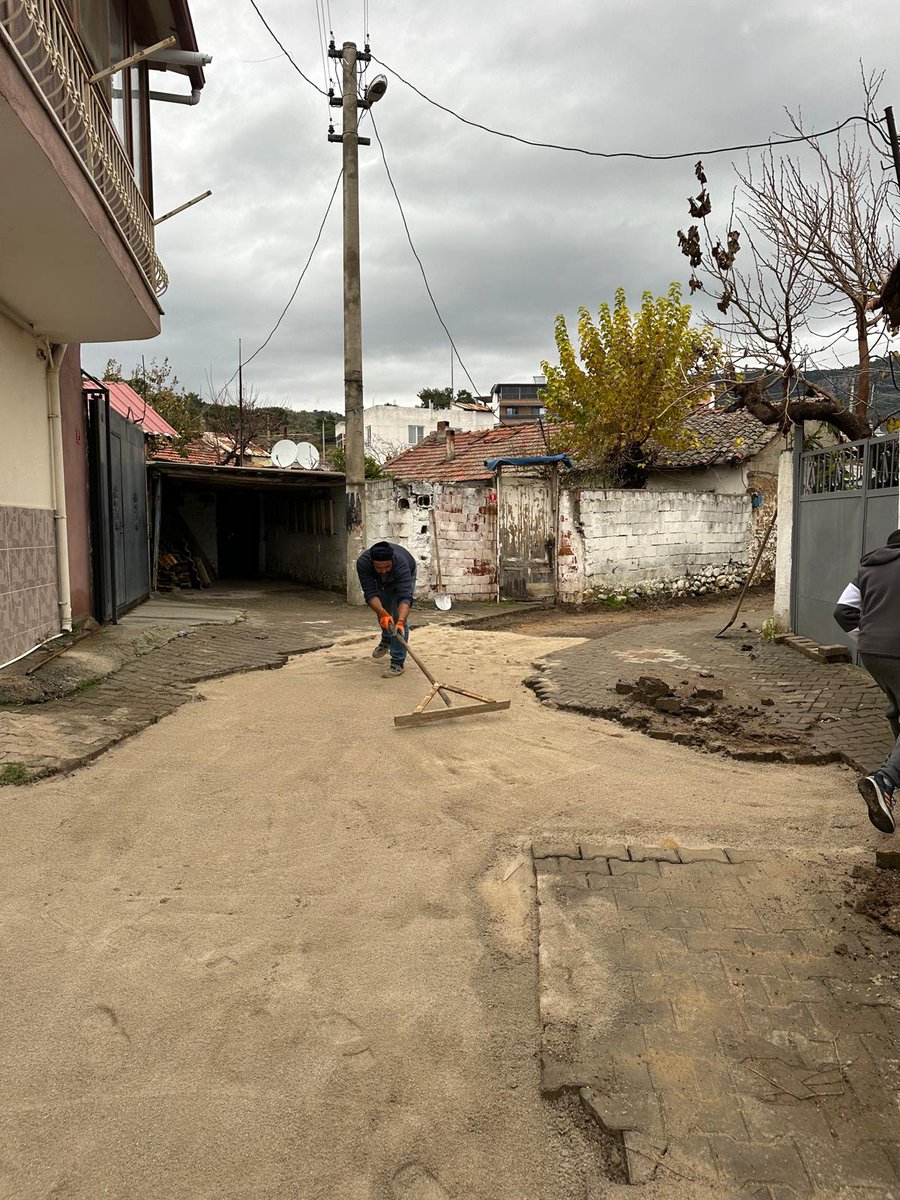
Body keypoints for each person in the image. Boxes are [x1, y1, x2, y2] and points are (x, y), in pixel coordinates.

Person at [834, 529, 900, 834]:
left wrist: (865, 638)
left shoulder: (870, 566)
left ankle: (890, 781)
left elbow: (843, 611)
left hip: (872, 651)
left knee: (896, 710)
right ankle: (884, 780)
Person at [356, 540, 417, 678]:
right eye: (379, 567)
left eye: (387, 566)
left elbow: (405, 597)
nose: (383, 570)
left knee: (398, 618)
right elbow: (370, 594)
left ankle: (397, 662)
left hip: (405, 573)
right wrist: (382, 612)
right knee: (383, 611)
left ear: (392, 560)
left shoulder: (402, 566)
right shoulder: (363, 563)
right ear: (372, 562)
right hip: (379, 582)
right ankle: (387, 639)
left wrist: (400, 621)